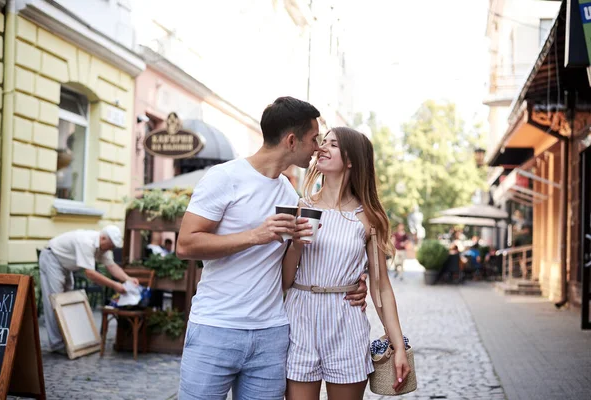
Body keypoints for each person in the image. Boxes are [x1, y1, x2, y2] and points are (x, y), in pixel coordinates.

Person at [175, 97, 368, 400]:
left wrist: (355, 282)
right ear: (292, 141)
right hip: (216, 327)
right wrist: (255, 236)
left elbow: (305, 259)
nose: (318, 147)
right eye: (314, 139)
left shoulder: (291, 196)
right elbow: (186, 244)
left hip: (272, 334)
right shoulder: (224, 177)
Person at [282, 127, 410, 400]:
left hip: (346, 322)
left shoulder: (368, 218)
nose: (322, 148)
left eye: (333, 144)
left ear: (351, 159)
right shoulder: (301, 207)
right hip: (300, 317)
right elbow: (283, 280)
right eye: (322, 142)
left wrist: (397, 344)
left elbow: (381, 287)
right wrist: (295, 243)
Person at [38, 225, 139, 353]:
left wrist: (128, 279)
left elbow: (112, 266)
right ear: (102, 238)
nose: (112, 249)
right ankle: (57, 344)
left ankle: (69, 341)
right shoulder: (86, 242)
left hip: (65, 264)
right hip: (52, 259)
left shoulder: (104, 247)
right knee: (55, 301)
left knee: (66, 303)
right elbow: (90, 273)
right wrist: (115, 285)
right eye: (111, 245)